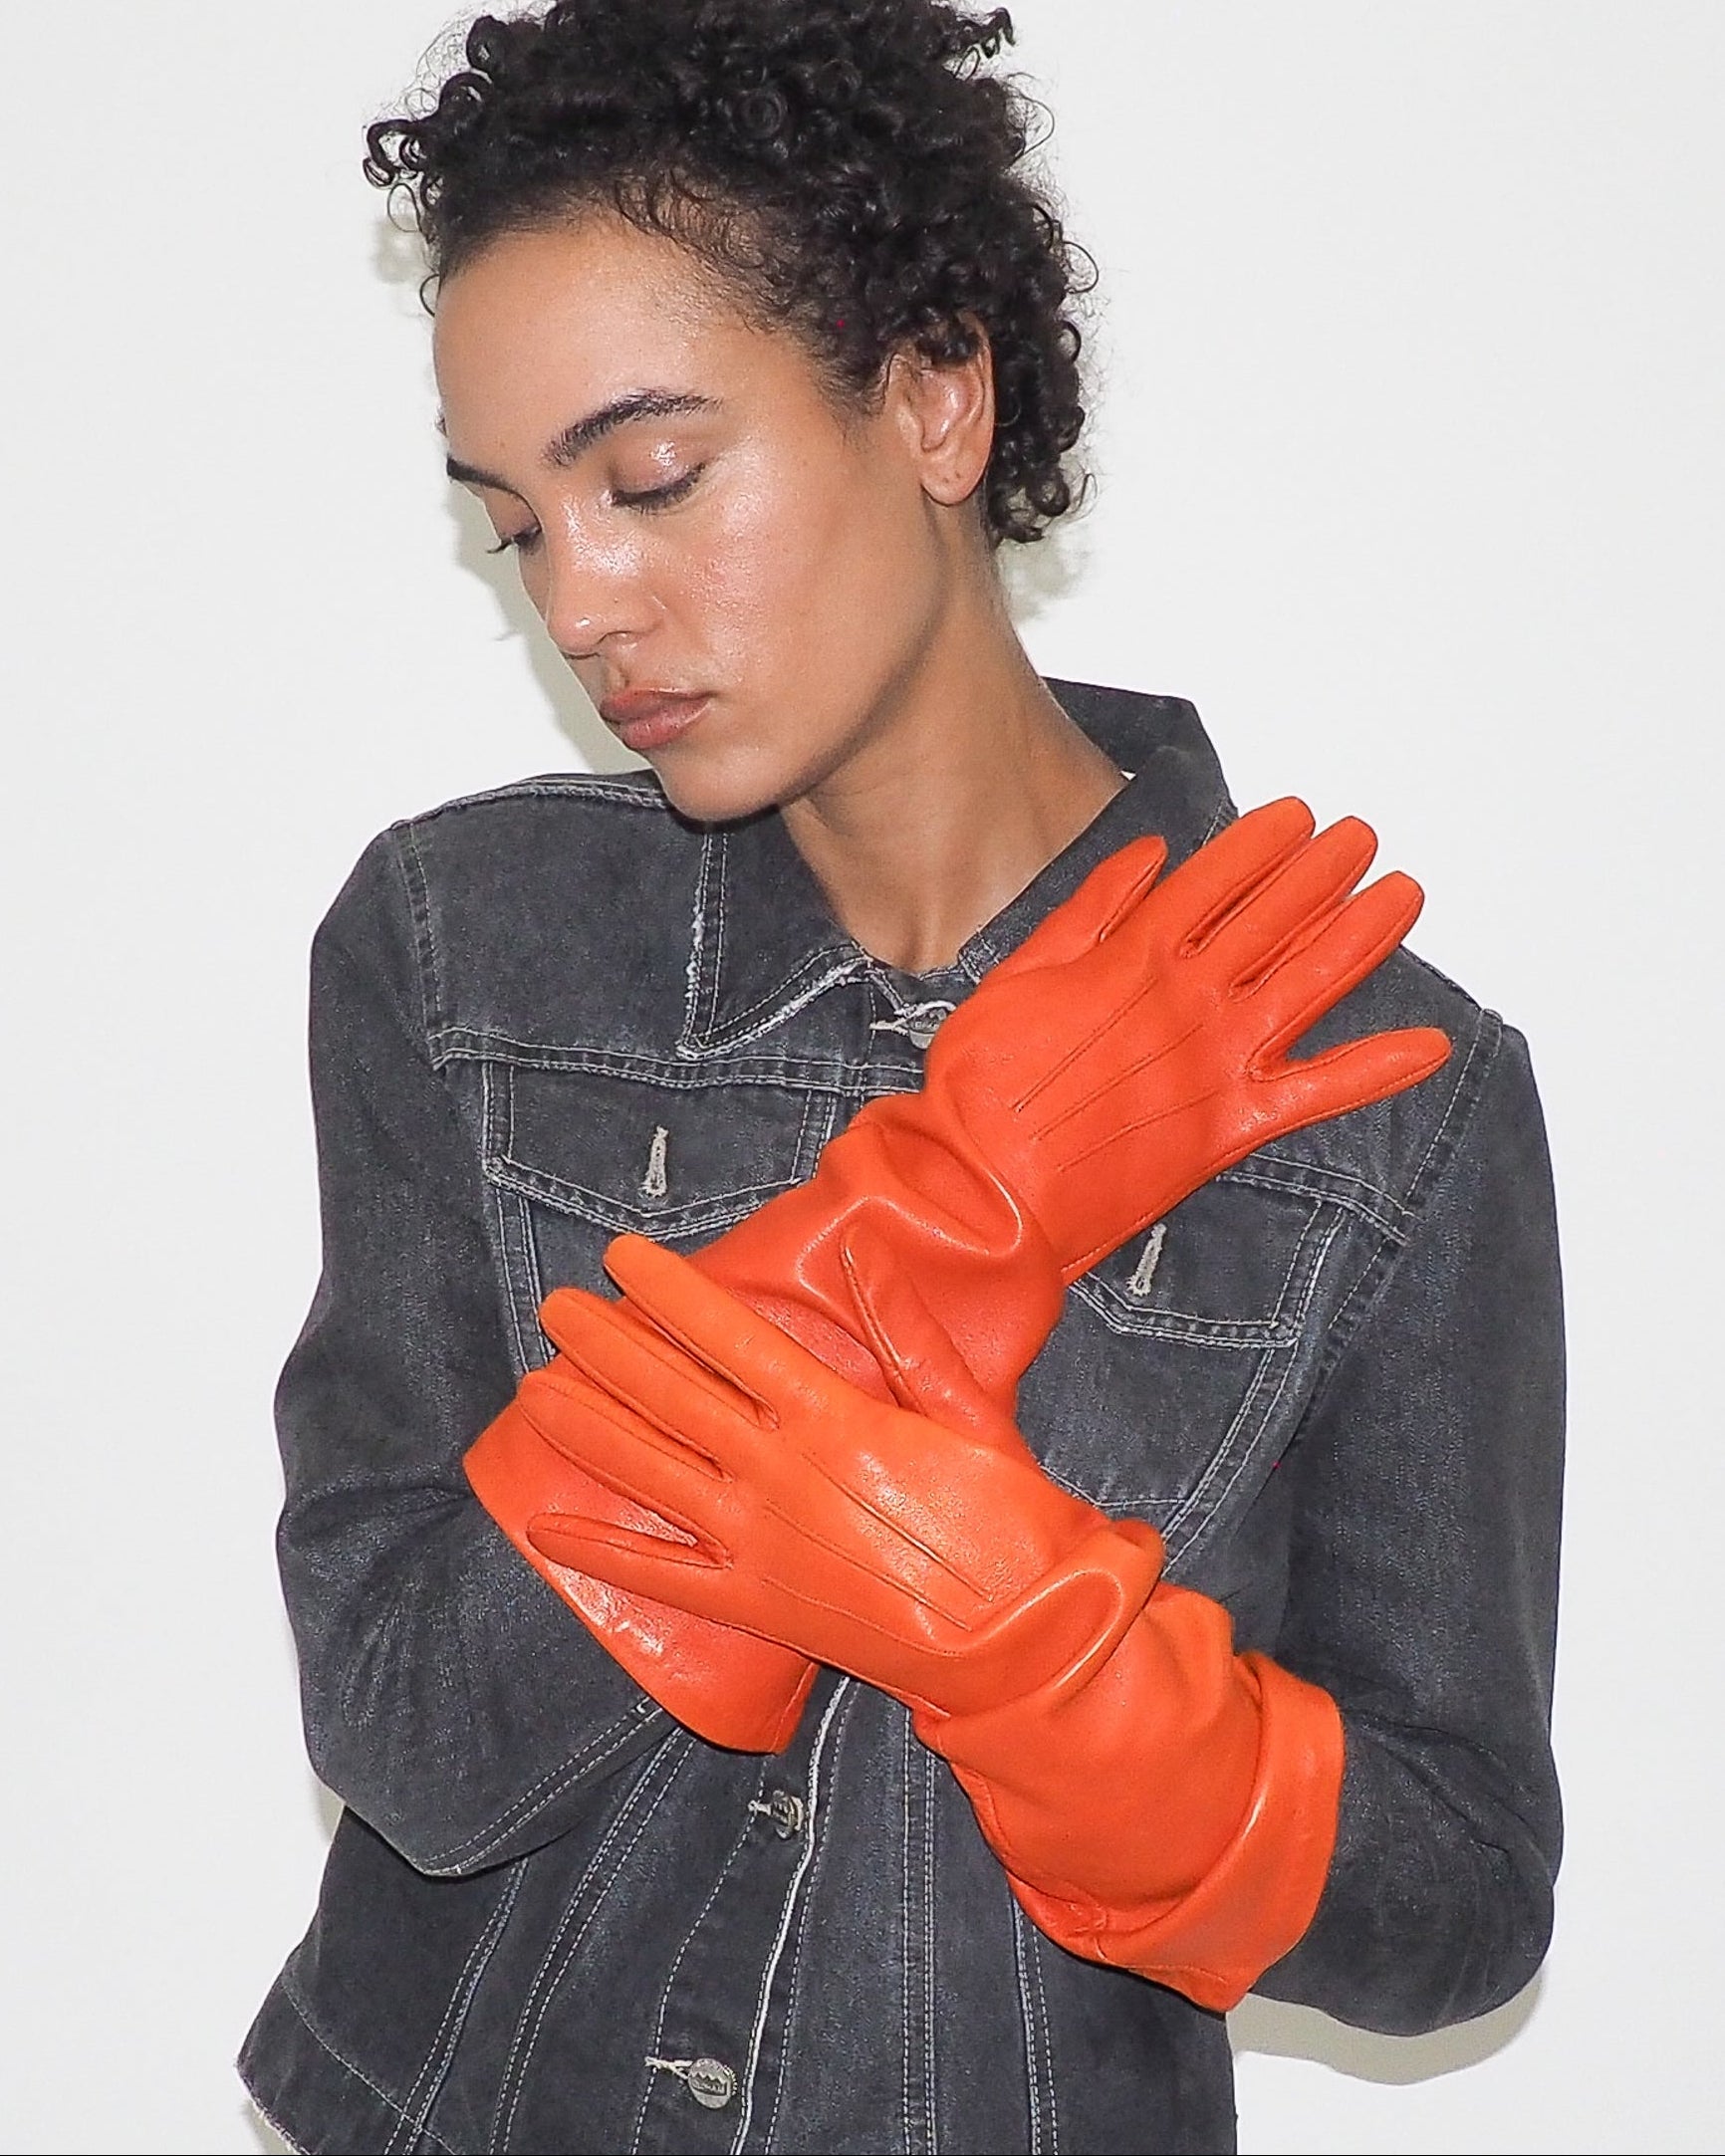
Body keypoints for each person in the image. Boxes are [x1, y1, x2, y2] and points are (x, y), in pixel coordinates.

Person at [240, 5, 1564, 2150]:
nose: (584, 594)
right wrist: (943, 1213)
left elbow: (1453, 1907)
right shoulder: (451, 950)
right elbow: (408, 1730)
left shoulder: (1388, 1102)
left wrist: (1034, 1656)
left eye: (651, 475)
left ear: (936, 396)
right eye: (519, 523)